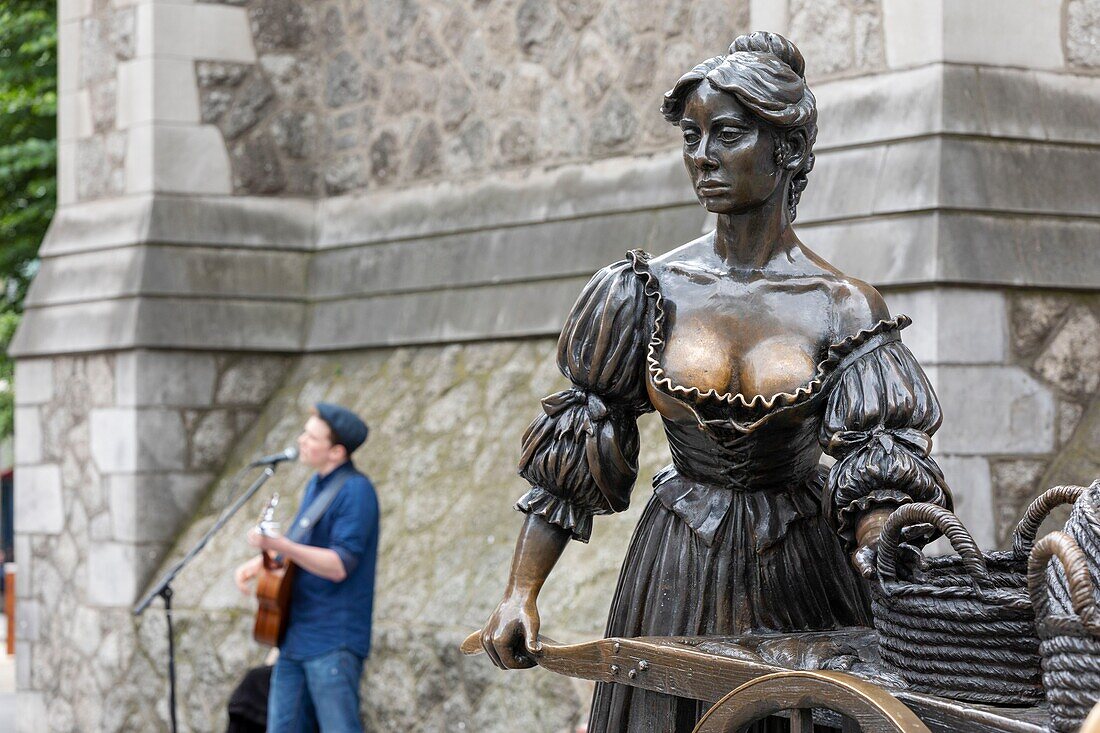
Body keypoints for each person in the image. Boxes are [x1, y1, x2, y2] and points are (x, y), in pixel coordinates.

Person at [478, 32, 953, 732]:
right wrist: (520, 590)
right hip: (676, 565)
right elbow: (573, 457)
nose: (701, 157)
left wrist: (879, 548)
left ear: (786, 150)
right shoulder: (644, 291)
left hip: (802, 571)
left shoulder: (842, 306)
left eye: (726, 135)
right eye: (691, 136)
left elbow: (880, 469)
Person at [235, 402, 379, 733]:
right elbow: (303, 546)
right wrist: (260, 563)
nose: (301, 440)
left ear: (336, 451)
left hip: (333, 639)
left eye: (312, 437)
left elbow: (340, 565)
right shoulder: (317, 485)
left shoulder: (357, 491)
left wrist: (279, 545)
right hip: (295, 636)